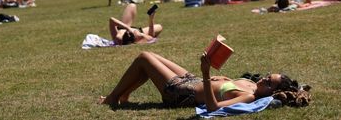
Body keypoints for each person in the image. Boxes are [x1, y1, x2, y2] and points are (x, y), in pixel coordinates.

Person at [99, 51, 307, 111]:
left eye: (268, 82)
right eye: (268, 76)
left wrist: (207, 75)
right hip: (193, 80)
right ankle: (123, 95)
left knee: (144, 58)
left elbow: (213, 106)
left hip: (180, 92)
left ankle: (113, 98)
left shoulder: (248, 96)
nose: (264, 79)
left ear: (271, 93)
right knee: (150, 58)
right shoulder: (253, 85)